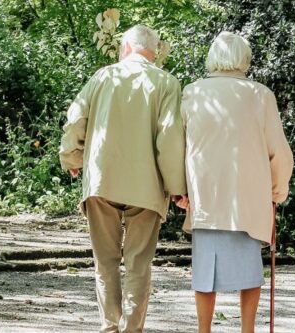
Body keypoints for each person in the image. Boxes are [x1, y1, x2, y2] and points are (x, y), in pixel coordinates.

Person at [59, 25, 187, 333]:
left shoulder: (103, 77)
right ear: (154, 52)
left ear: (126, 47)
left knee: (105, 261)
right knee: (138, 264)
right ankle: (131, 329)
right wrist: (177, 188)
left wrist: (72, 158)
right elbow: (169, 139)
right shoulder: (167, 83)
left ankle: (109, 326)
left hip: (102, 180)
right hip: (147, 187)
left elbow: (76, 120)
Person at [176, 31, 294, 333]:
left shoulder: (193, 92)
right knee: (250, 270)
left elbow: (178, 146)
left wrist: (179, 191)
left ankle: (204, 330)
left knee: (205, 271)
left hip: (205, 194)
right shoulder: (260, 95)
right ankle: (248, 330)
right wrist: (277, 192)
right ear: (245, 59)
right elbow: (279, 151)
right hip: (248, 196)